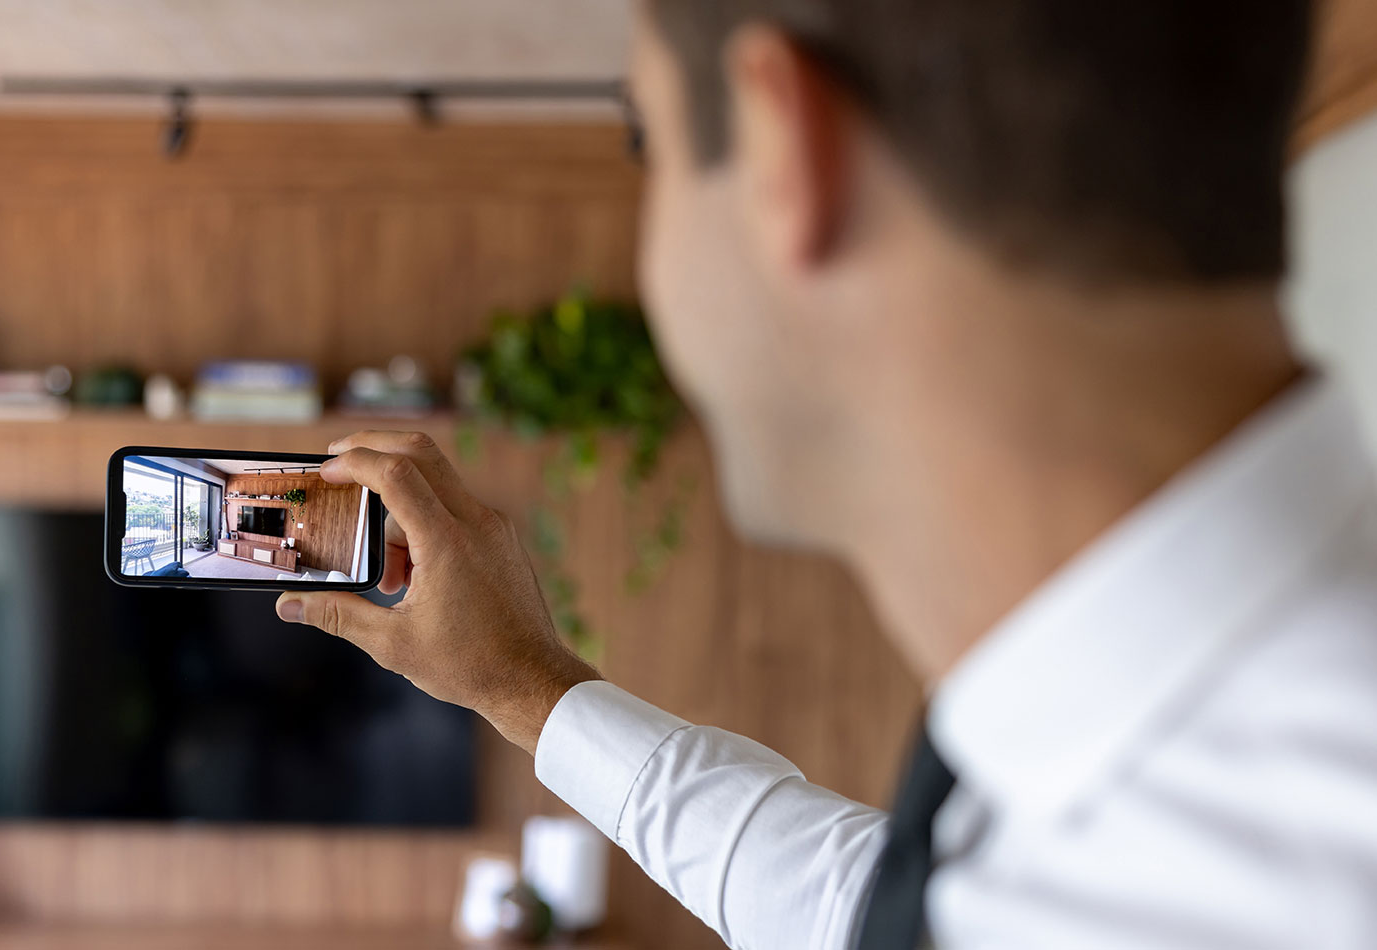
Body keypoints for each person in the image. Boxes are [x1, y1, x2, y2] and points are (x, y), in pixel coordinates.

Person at [276, 0, 1377, 947]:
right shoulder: (1143, 774)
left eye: (647, 147)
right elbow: (877, 909)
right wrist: (524, 683)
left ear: (779, 149)